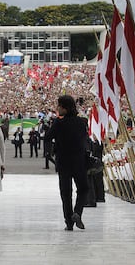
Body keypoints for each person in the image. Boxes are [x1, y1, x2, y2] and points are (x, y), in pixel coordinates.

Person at [45, 95, 89, 231]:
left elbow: (48, 136)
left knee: (66, 193)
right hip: (78, 161)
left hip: (63, 161)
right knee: (83, 188)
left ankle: (69, 222)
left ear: (64, 107)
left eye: (59, 106)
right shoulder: (81, 122)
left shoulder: (59, 123)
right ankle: (78, 212)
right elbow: (84, 140)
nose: (57, 108)